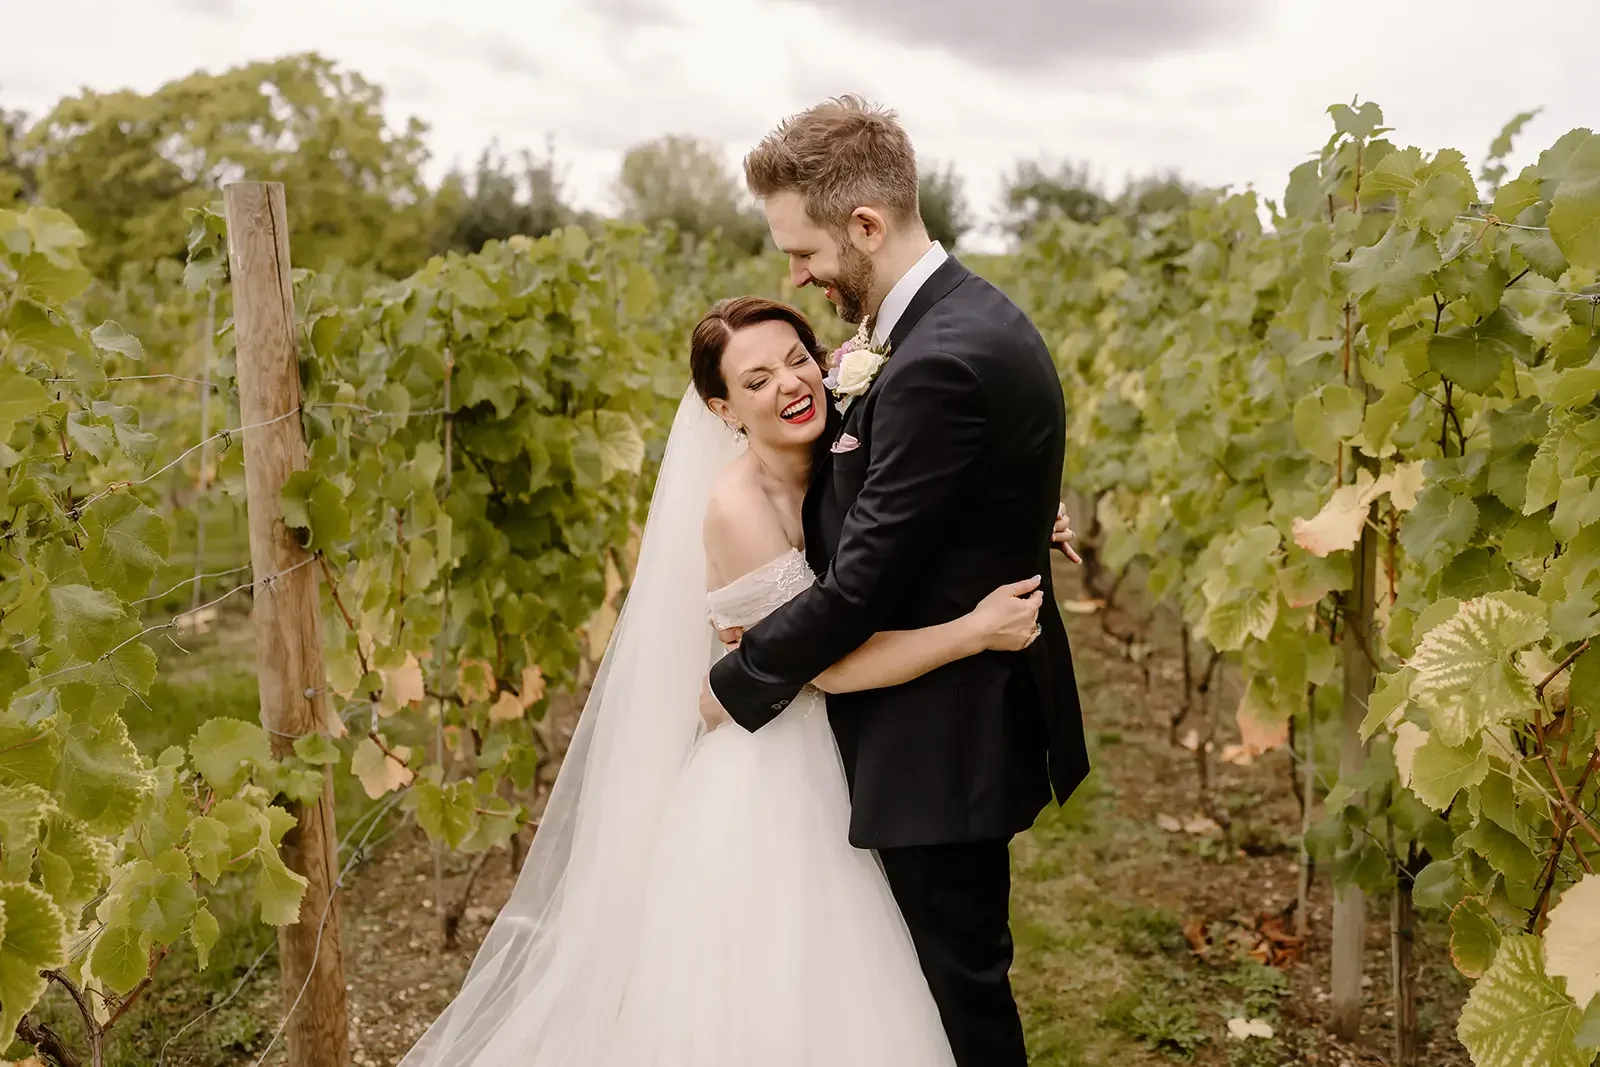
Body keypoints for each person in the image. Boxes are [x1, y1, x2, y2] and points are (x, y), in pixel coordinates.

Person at [396, 293, 1078, 1066]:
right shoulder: (738, 507)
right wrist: (973, 631)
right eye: (756, 381)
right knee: (806, 982)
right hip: (780, 765)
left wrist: (1022, 517)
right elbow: (829, 665)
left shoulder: (846, 446)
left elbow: (919, 508)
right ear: (723, 408)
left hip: (873, 741)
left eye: (798, 360)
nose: (791, 385)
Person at [701, 95, 1089, 1067]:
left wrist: (738, 680)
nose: (796, 274)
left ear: (864, 226)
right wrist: (1010, 511)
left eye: (802, 251)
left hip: (936, 745)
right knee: (908, 993)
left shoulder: (935, 358)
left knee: (955, 1006)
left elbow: (863, 585)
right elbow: (911, 488)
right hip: (922, 731)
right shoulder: (939, 325)